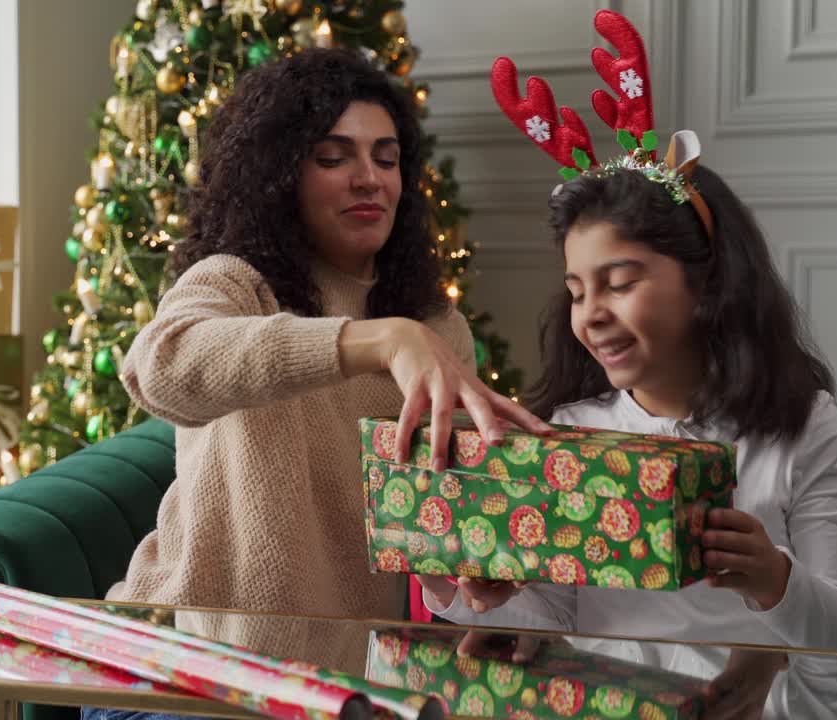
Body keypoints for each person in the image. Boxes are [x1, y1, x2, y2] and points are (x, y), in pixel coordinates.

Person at [417, 10, 837, 718]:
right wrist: (476, 590)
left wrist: (773, 580)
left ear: (706, 282)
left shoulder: (800, 428)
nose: (591, 313)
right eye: (576, 292)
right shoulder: (571, 428)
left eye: (620, 282)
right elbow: (556, 620)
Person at [84, 46, 551, 720]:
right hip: (175, 674)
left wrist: (473, 572)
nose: (369, 179)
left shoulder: (437, 328)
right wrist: (377, 341)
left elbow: (433, 523)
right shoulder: (233, 282)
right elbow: (160, 367)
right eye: (334, 158)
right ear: (281, 175)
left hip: (341, 692)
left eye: (386, 159)